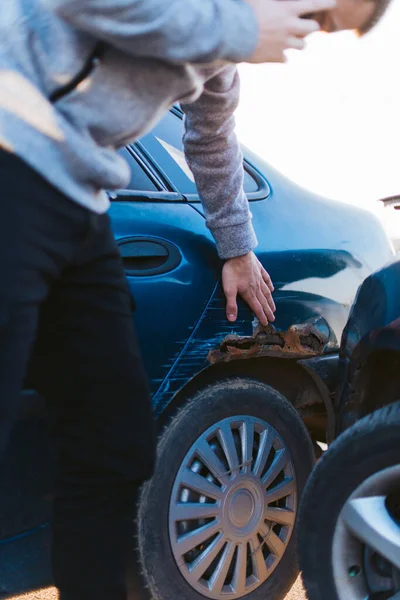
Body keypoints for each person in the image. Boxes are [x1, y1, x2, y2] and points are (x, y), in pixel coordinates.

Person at [0, 0, 390, 598]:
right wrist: (241, 26)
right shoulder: (220, 19)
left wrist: (237, 247)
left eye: (326, 26)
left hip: (80, 203)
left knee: (115, 443)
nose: (308, 30)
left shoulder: (219, 51)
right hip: (13, 158)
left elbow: (210, 135)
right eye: (321, 8)